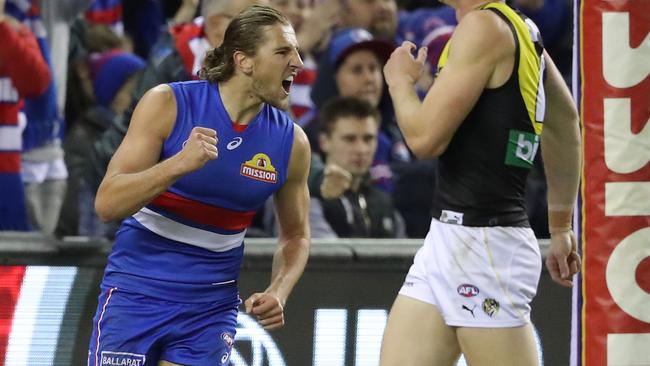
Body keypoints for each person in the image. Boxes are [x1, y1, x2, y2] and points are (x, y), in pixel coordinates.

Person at [87, 5, 310, 365]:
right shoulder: (168, 103)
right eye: (283, 52)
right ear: (244, 61)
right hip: (136, 294)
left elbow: (296, 236)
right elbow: (106, 203)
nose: (297, 61)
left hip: (210, 310)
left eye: (297, 51)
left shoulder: (291, 143)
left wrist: (279, 291)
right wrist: (178, 165)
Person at [379, 1, 581, 365]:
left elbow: (425, 140)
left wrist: (399, 82)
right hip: (449, 237)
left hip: (486, 244)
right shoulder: (522, 28)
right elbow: (565, 123)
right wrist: (561, 224)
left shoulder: (484, 28)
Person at [311, 96, 405, 238]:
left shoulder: (384, 203)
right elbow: (324, 257)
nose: (361, 149)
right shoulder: (309, 198)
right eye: (350, 139)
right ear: (324, 141)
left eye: (368, 139)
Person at [0, 0, 51, 231]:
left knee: (10, 257)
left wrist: (4, 31)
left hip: (5, 166)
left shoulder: (14, 30)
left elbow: (36, 83)